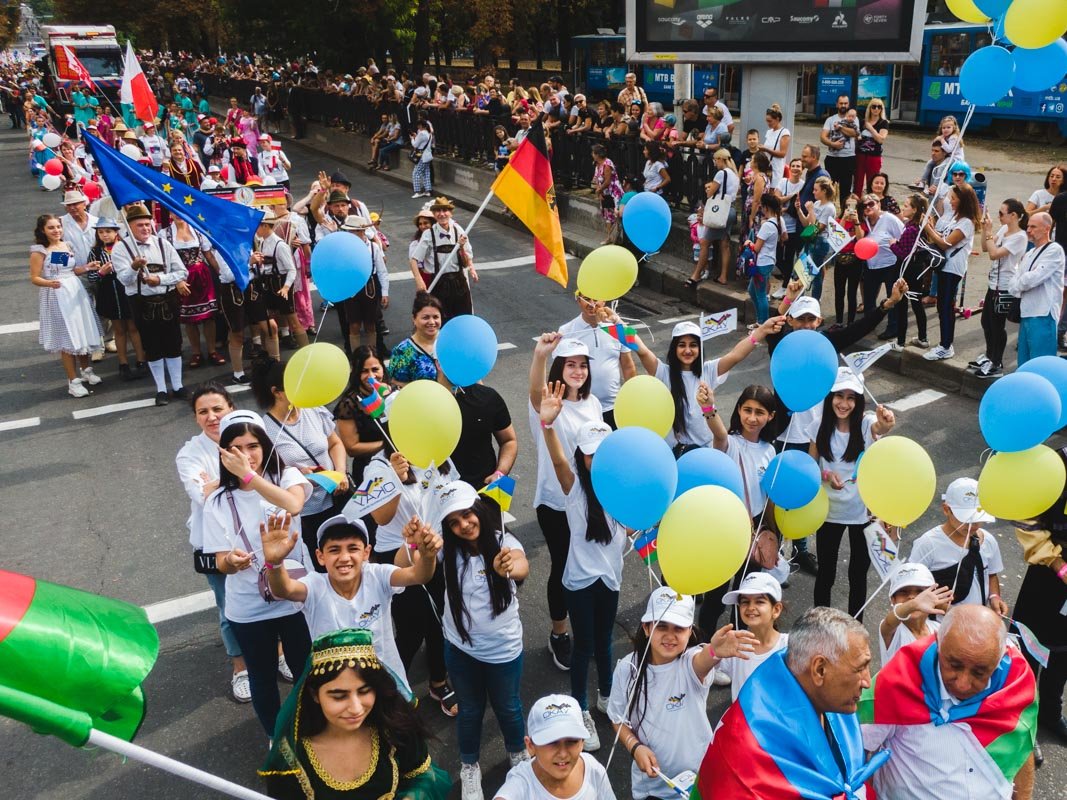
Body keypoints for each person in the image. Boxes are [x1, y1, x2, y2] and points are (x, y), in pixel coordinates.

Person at [201, 410, 313, 737]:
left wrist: (249, 478)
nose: (246, 455)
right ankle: (276, 740)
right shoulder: (218, 499)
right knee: (262, 678)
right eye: (236, 448)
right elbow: (219, 559)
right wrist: (231, 562)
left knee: (306, 672)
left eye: (253, 445)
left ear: (265, 446)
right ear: (223, 453)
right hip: (248, 605)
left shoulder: (287, 476)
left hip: (293, 595)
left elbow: (293, 505)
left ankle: (310, 733)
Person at [697, 607, 883, 799]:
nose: (867, 682)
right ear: (819, 670)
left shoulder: (818, 690)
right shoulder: (746, 754)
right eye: (860, 669)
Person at [260, 510, 442, 701]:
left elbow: (418, 575)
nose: (344, 557)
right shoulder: (314, 585)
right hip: (337, 691)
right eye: (334, 550)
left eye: (353, 548)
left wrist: (427, 556)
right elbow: (284, 589)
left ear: (366, 553)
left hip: (386, 682)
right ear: (320, 556)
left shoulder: (377, 575)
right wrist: (275, 563)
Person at [860, 605, 1037, 800]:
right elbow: (858, 749)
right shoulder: (897, 681)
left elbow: (1021, 748)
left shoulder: (1016, 686)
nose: (963, 684)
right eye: (954, 665)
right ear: (938, 642)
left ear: (999, 659)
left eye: (979, 673)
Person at [259, 628, 451, 800]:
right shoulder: (291, 758)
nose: (356, 708)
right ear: (314, 695)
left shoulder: (394, 727)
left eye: (364, 691)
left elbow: (423, 776)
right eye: (339, 696)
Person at [607, 587, 758, 800]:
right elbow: (618, 718)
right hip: (651, 786)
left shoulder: (690, 662)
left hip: (700, 779)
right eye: (662, 626)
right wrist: (635, 747)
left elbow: (703, 659)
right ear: (647, 627)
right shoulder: (626, 668)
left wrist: (714, 651)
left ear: (690, 632)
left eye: (679, 628)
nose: (670, 636)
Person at [539, 393, 626, 753]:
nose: (595, 458)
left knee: (605, 642)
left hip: (611, 579)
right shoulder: (575, 490)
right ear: (581, 456)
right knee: (584, 646)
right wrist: (547, 424)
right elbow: (558, 461)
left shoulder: (623, 490)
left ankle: (606, 696)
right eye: (589, 453)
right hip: (580, 582)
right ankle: (580, 709)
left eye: (602, 451)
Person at [436, 481, 530, 800]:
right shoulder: (445, 551)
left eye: (467, 515)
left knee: (509, 708)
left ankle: (519, 759)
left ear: (478, 510)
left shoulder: (505, 541)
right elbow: (412, 565)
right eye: (454, 521)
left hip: (504, 652)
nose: (464, 524)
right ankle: (469, 767)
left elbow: (521, 564)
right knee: (471, 711)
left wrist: (507, 567)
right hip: (461, 650)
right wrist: (415, 546)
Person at [528, 335, 604, 674]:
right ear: (559, 368)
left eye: (583, 365)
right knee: (562, 566)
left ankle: (584, 624)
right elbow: (535, 394)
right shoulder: (548, 402)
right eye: (570, 365)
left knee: (587, 565)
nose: (578, 371)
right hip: (556, 502)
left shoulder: (595, 404)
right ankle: (559, 632)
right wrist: (539, 356)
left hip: (591, 499)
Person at [175, 383, 249, 702]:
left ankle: (277, 653)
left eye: (217, 409)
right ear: (195, 418)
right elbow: (202, 494)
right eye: (203, 412)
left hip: (256, 534)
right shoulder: (190, 454)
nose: (211, 417)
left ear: (230, 407)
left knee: (273, 595)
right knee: (228, 607)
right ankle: (241, 668)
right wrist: (246, 474)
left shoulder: (249, 434)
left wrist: (220, 481)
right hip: (215, 543)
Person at [808, 368, 895, 618]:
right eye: (839, 395)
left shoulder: (867, 424)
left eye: (851, 397)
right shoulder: (818, 425)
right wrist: (826, 475)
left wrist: (887, 421)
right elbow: (811, 467)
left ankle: (855, 625)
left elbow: (883, 426)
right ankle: (820, 622)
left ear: (858, 402)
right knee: (826, 571)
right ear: (830, 396)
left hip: (862, 513)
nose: (844, 404)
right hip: (828, 510)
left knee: (858, 574)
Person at [252, 354, 351, 564]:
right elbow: (267, 475)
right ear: (277, 392)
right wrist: (297, 476)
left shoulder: (313, 410)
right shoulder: (265, 430)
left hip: (338, 497)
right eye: (295, 385)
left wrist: (341, 472)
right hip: (305, 512)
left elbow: (335, 443)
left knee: (349, 557)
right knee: (323, 564)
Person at [1013, 451, 1067, 745]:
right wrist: (1058, 565)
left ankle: (1049, 712)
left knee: (1064, 653)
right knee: (1029, 647)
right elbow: (1025, 518)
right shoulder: (1054, 465)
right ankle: (1023, 723)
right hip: (1049, 571)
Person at [111, 203, 189, 406]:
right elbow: (124, 280)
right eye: (140, 225)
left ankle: (178, 386)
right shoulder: (121, 248)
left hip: (167, 299)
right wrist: (133, 267)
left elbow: (182, 272)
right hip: (141, 302)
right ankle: (161, 389)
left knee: (173, 344)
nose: (145, 229)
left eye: (147, 224)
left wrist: (160, 279)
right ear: (129, 227)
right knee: (152, 347)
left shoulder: (163, 244)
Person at [30, 213, 103, 397]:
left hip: (74, 291)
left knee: (81, 332)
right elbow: (35, 277)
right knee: (68, 339)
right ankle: (73, 381)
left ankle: (86, 371)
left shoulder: (65, 245)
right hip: (57, 295)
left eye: (58, 227)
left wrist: (87, 267)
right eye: (51, 227)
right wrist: (50, 283)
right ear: (42, 230)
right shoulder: (40, 251)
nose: (56, 230)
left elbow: (69, 270)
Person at [910, 477, 1008, 614]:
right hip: (939, 624)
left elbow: (991, 574)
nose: (973, 525)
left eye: (978, 518)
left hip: (978, 620)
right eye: (966, 519)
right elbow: (912, 588)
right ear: (946, 509)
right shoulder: (927, 544)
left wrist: (994, 597)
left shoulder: (988, 540)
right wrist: (953, 612)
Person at [495, 693, 612, 800]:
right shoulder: (522, 783)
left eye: (572, 741)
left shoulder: (594, 770)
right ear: (530, 746)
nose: (563, 753)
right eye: (551, 742)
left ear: (582, 742)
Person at [558, 291, 637, 428]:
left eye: (596, 299)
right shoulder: (566, 331)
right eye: (587, 299)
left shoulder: (618, 327)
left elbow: (628, 366)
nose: (592, 304)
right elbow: (560, 371)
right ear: (578, 300)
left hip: (614, 408)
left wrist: (632, 399)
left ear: (604, 301)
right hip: (582, 408)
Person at [921, 183, 980, 361]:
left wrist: (927, 227)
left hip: (953, 268)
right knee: (942, 306)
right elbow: (939, 238)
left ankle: (946, 346)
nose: (950, 202)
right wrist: (931, 226)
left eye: (953, 199)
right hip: (943, 266)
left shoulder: (967, 223)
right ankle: (944, 344)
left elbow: (946, 243)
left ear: (963, 201)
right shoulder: (955, 218)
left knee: (946, 306)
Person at [974, 199, 1028, 377]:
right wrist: (985, 231)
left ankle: (997, 362)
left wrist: (989, 232)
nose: (999, 216)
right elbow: (985, 246)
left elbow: (994, 254)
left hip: (1005, 287)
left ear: (1013, 215)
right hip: (993, 284)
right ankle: (990, 357)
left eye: (1001, 213)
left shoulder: (1020, 237)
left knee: (997, 326)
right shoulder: (1005, 229)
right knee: (986, 323)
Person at [161, 216, 224, 369]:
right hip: (183, 277)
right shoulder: (165, 234)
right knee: (189, 318)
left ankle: (212, 350)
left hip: (202, 276)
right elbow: (165, 261)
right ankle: (196, 352)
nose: (177, 214)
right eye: (174, 211)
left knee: (209, 316)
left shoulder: (198, 231)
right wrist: (177, 281)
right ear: (170, 213)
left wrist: (221, 275)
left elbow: (208, 255)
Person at [88, 218, 146, 380]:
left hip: (126, 290)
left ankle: (141, 360)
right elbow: (91, 276)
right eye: (101, 232)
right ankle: (123, 363)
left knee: (133, 327)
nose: (105, 235)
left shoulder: (125, 247)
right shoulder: (96, 252)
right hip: (109, 292)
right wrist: (101, 273)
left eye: (108, 231)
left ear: (116, 232)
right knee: (119, 330)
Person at [717, 573, 788, 701]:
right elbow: (700, 671)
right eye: (745, 602)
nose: (750, 607)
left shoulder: (790, 647)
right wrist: (713, 652)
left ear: (776, 609)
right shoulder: (734, 645)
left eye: (759, 601)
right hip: (741, 720)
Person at [1009, 211, 1065, 364]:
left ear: (1047, 229)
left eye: (1033, 227)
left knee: (1040, 365)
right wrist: (1022, 281)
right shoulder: (1029, 254)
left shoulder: (1054, 250)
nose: (1028, 230)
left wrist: (1022, 281)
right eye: (1028, 226)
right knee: (1024, 364)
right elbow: (1013, 284)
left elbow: (1031, 279)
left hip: (1043, 314)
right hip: (1026, 313)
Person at [410, 197, 477, 320]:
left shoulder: (459, 230)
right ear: (434, 214)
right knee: (441, 320)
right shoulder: (428, 234)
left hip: (459, 283)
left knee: (463, 318)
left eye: (445, 210)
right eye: (438, 211)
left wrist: (462, 250)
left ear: (450, 213)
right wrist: (419, 280)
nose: (442, 214)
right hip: (438, 283)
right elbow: (414, 259)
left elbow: (467, 261)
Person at [878, 563, 952, 664]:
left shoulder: (938, 628)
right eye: (904, 592)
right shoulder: (892, 631)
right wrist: (914, 604)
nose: (912, 597)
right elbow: (889, 622)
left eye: (919, 592)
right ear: (893, 600)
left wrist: (942, 606)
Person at [856, 192, 905, 341]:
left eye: (871, 204)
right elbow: (859, 242)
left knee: (893, 296)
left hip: (891, 264)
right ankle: (868, 325)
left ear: (879, 204)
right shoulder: (863, 220)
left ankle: (893, 328)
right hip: (871, 264)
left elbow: (903, 237)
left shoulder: (889, 219)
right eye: (864, 206)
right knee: (869, 298)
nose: (868, 207)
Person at [690, 149, 740, 287]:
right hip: (730, 210)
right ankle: (723, 276)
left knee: (705, 242)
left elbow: (710, 193)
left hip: (720, 211)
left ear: (721, 159)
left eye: (715, 159)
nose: (714, 162)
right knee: (724, 244)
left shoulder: (721, 173)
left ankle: (696, 275)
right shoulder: (734, 174)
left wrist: (708, 189)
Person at [340, 215, 389, 352]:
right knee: (353, 324)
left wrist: (385, 292)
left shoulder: (373, 247)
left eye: (354, 231)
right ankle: (356, 355)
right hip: (351, 287)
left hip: (370, 286)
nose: (351, 234)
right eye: (349, 231)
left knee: (370, 324)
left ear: (362, 231)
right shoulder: (344, 248)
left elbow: (382, 271)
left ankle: (372, 353)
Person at [890, 193, 932, 352]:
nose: (903, 207)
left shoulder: (910, 229)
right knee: (916, 303)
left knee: (901, 305)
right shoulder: (918, 226)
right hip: (917, 270)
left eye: (907, 205)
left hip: (906, 271)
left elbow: (903, 254)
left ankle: (900, 342)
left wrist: (893, 244)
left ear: (915, 210)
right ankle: (923, 338)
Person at [389, 292, 443, 387]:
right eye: (426, 317)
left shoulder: (451, 341)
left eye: (435, 317)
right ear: (414, 319)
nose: (431, 322)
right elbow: (396, 384)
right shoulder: (403, 351)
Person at [747, 194, 785, 323]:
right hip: (768, 262)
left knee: (760, 294)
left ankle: (762, 323)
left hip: (762, 263)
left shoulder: (767, 225)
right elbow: (785, 237)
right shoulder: (778, 221)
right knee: (752, 290)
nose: (761, 208)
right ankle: (760, 320)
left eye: (762, 206)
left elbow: (756, 248)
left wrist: (749, 243)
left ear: (766, 207)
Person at [820, 95, 858, 197]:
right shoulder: (830, 120)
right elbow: (823, 137)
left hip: (848, 158)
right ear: (837, 104)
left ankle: (843, 212)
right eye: (841, 103)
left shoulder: (854, 118)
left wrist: (840, 127)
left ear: (848, 104)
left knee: (845, 190)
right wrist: (833, 144)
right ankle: (829, 210)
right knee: (829, 189)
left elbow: (854, 133)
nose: (843, 105)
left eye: (845, 103)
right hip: (832, 158)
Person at [854, 99, 889, 195]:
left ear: (882, 109)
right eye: (874, 106)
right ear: (870, 108)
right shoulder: (862, 122)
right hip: (860, 154)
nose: (876, 109)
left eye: (879, 107)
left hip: (874, 157)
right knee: (857, 180)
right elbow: (856, 136)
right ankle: (856, 201)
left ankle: (871, 201)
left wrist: (870, 128)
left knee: (872, 180)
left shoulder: (883, 123)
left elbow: (881, 139)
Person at [759, 104, 790, 179]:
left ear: (777, 119)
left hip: (776, 167)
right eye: (767, 121)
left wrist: (766, 149)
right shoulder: (769, 132)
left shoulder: (784, 132)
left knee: (773, 189)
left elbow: (783, 154)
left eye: (770, 121)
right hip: (767, 166)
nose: (768, 123)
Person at [410, 119, 434, 198]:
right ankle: (427, 191)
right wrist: (416, 136)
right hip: (428, 156)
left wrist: (412, 138)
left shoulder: (421, 134)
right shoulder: (429, 133)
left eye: (418, 125)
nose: (417, 126)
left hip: (422, 156)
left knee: (416, 173)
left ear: (420, 125)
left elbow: (415, 145)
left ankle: (417, 191)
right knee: (426, 173)